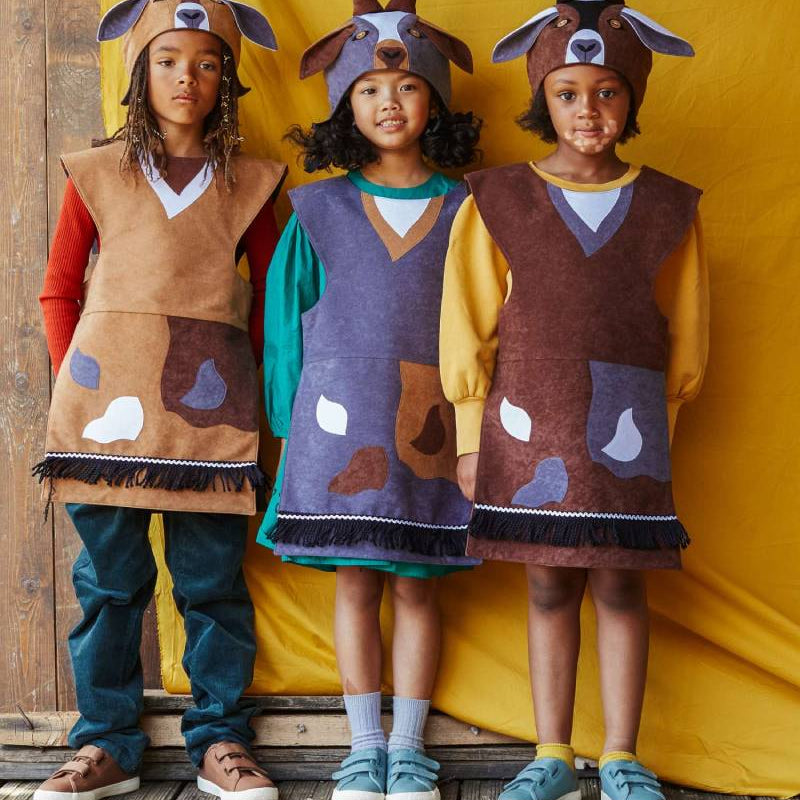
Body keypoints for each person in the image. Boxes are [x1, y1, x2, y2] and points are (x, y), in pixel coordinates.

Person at [440, 2, 708, 799]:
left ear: (632, 100)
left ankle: (622, 756)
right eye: (568, 93)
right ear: (543, 100)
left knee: (623, 582)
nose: (588, 110)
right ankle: (551, 753)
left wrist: (662, 427)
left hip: (629, 429)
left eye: (606, 92)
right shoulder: (495, 198)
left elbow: (689, 333)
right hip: (528, 421)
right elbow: (466, 321)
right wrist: (466, 433)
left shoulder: (670, 204)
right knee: (549, 582)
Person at [33, 2, 285, 798]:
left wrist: (252, 392)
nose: (188, 77)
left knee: (211, 585)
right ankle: (104, 743)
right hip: (102, 418)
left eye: (206, 63)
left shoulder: (252, 182)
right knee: (108, 586)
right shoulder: (99, 172)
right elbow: (57, 291)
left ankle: (218, 740)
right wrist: (81, 377)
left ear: (227, 81)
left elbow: (276, 305)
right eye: (170, 60)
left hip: (210, 425)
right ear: (142, 73)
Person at [258, 2, 480, 798]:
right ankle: (362, 745)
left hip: (433, 433)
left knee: (419, 585)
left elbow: (491, 320)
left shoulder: (472, 209)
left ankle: (411, 746)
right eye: (369, 89)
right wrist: (290, 426)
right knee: (355, 586)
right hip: (337, 434)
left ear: (436, 101)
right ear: (344, 107)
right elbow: (285, 324)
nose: (390, 102)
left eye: (409, 85)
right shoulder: (316, 210)